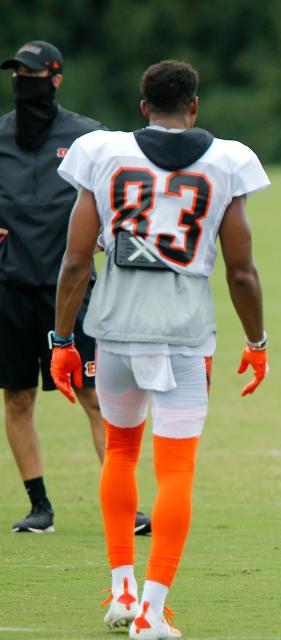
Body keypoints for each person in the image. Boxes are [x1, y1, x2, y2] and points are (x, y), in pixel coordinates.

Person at [51, 59, 270, 638]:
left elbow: (75, 261)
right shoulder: (227, 160)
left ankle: (122, 590)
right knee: (175, 469)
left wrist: (62, 340)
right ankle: (151, 610)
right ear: (193, 106)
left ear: (143, 106)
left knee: (120, 452)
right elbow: (242, 272)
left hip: (114, 327)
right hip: (183, 332)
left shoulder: (101, 152)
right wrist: (257, 341)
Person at [0, 40, 150, 535]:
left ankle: (124, 504)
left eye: (34, 73)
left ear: (56, 78)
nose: (25, 81)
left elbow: (125, 192)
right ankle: (39, 506)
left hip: (71, 288)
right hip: (10, 286)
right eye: (18, 73)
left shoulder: (90, 137)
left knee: (93, 395)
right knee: (18, 398)